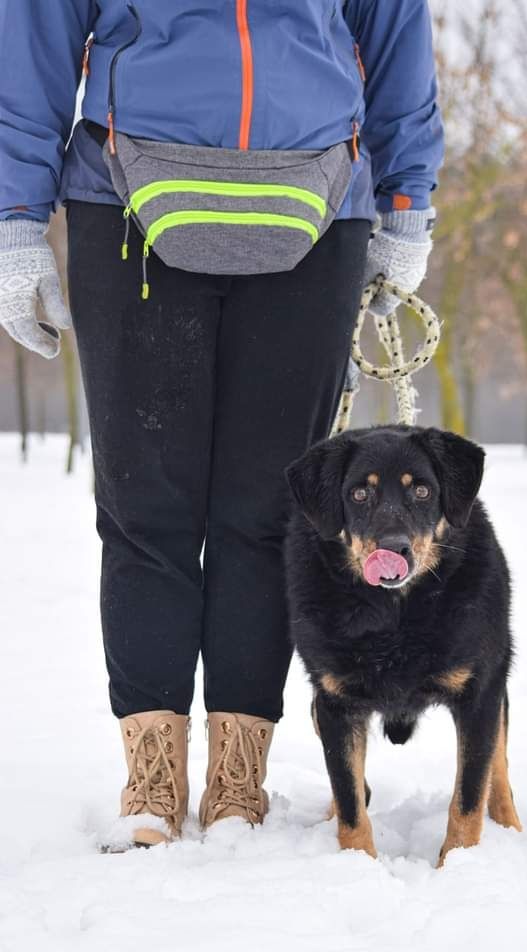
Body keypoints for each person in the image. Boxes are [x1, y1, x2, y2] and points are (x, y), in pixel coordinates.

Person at [0, 0, 443, 847]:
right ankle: (153, 779)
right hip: (124, 199)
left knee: (274, 514)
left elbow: (396, 33)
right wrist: (15, 220)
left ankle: (239, 778)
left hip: (318, 203)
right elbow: (33, 42)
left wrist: (406, 197)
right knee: (144, 511)